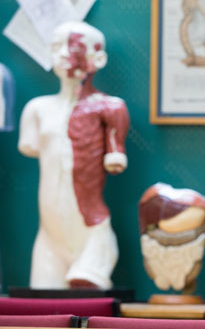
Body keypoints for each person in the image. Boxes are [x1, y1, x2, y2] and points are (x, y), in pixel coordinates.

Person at [18, 21, 129, 289]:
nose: (63, 54)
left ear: (97, 57)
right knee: (41, 318)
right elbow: (29, 145)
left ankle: (101, 250)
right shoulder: (37, 110)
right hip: (49, 236)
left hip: (90, 230)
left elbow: (116, 154)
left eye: (74, 47)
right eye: (56, 46)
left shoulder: (110, 108)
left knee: (89, 308)